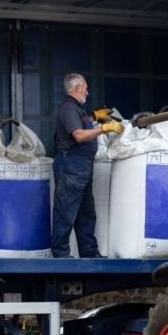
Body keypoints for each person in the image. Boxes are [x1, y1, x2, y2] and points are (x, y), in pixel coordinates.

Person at [50, 73, 122, 258]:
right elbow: (79, 135)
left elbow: (85, 124)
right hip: (71, 166)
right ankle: (61, 255)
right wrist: (103, 128)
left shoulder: (77, 110)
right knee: (65, 212)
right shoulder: (68, 108)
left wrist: (96, 117)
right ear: (77, 88)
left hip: (81, 168)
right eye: (86, 89)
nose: (88, 93)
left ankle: (89, 253)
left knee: (86, 213)